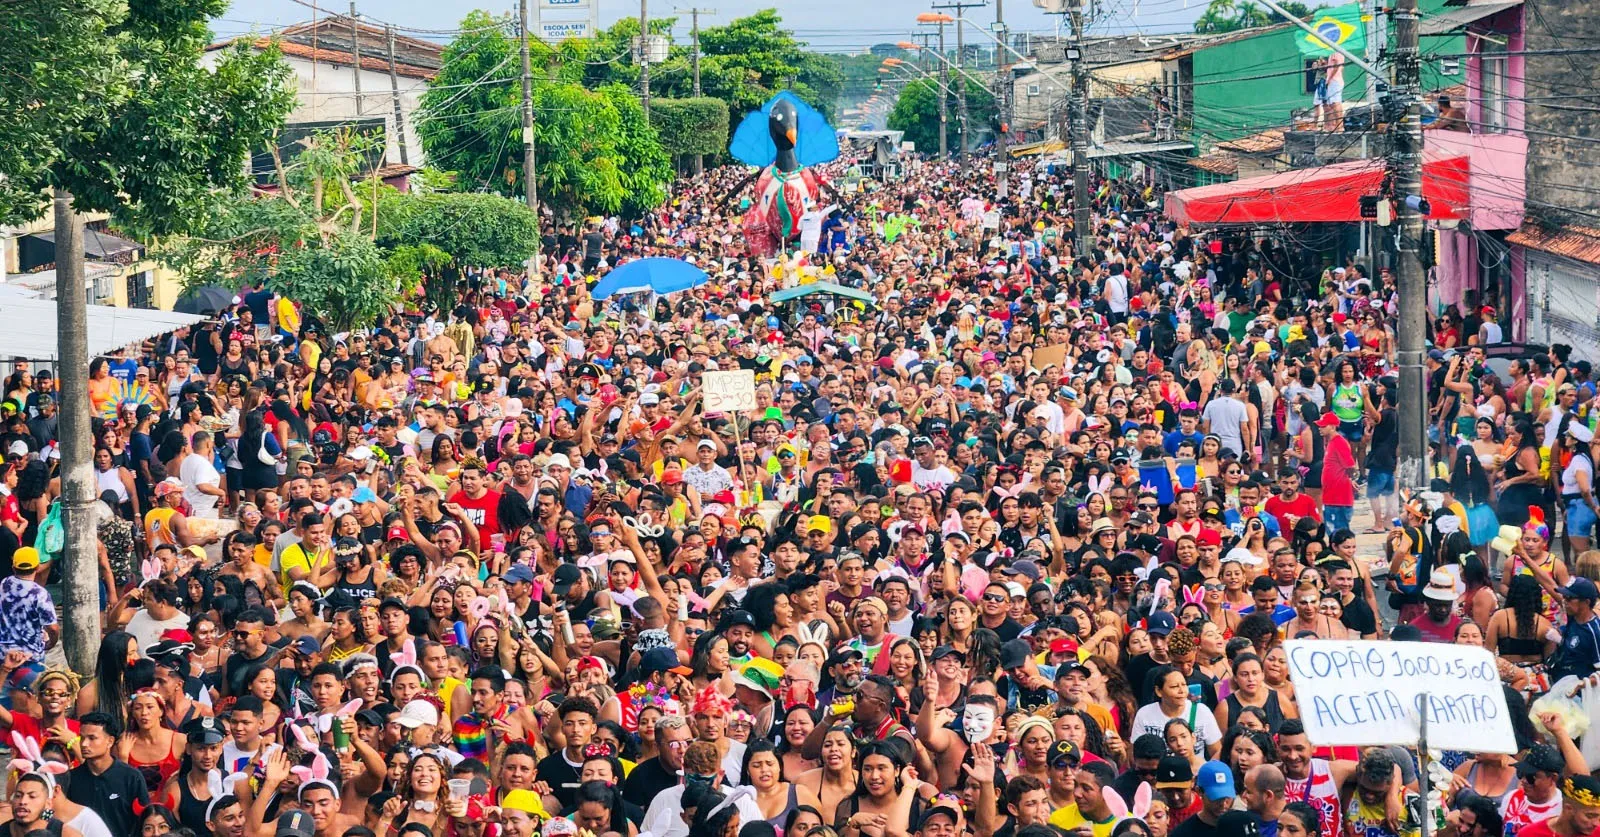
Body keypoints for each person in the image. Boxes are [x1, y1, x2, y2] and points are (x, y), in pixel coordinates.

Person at [65, 712, 149, 837]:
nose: (84, 744)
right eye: (82, 738)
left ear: (110, 741)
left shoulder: (131, 778)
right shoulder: (71, 778)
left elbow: (144, 819)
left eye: (92, 738)